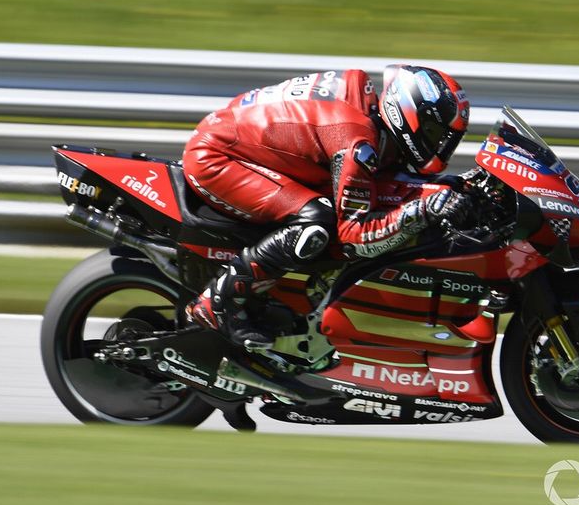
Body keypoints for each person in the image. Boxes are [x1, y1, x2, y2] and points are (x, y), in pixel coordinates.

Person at [182, 64, 471, 349]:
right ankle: (217, 304)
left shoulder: (372, 123)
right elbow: (355, 237)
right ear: (408, 114)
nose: (440, 145)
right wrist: (422, 210)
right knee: (317, 221)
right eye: (435, 133)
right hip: (218, 157)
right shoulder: (356, 140)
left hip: (253, 146)